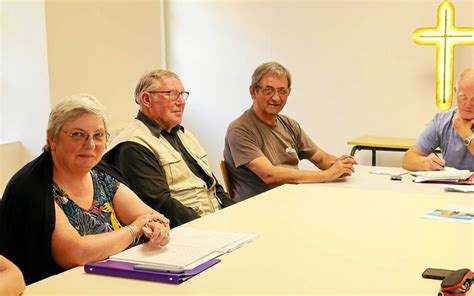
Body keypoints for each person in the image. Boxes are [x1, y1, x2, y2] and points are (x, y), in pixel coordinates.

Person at [0, 95, 170, 285]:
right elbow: (75, 253)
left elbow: (152, 217)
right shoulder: (31, 187)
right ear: (52, 138)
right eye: (78, 135)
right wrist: (134, 229)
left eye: (98, 135)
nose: (90, 145)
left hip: (113, 281)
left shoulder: (102, 175)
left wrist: (156, 228)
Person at [103, 70, 234, 228]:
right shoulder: (132, 145)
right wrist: (211, 228)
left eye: (182, 94)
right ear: (146, 99)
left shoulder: (184, 135)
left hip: (215, 224)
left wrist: (236, 214)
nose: (181, 102)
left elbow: (213, 186)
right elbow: (162, 206)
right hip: (184, 233)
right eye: (173, 95)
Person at [224, 62, 357, 202]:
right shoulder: (239, 129)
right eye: (268, 90)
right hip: (258, 209)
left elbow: (321, 158)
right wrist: (327, 175)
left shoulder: (289, 124)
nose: (276, 98)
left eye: (282, 91)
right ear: (253, 91)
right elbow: (269, 175)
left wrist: (341, 165)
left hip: (292, 200)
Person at [402, 68, 474, 171]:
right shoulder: (442, 120)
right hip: (450, 185)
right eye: (463, 97)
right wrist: (424, 163)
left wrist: (466, 135)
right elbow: (408, 159)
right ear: (455, 91)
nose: (468, 104)